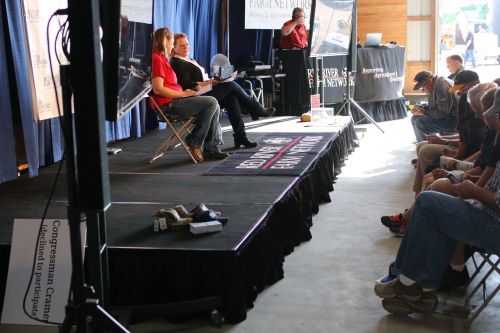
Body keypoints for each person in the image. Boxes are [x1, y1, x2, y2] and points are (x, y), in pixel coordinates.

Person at [374, 90, 500, 314]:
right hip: (486, 214)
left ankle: (408, 280)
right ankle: (419, 284)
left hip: (492, 224)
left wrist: (474, 191)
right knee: (435, 206)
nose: (492, 119)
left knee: (428, 203)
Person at [169, 33, 275, 148]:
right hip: (196, 98)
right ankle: (256, 109)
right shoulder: (176, 63)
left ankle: (241, 137)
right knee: (231, 85)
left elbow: (201, 79)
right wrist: (211, 82)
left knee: (232, 99)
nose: (186, 47)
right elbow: (186, 85)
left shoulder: (189, 60)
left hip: (206, 90)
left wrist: (216, 80)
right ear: (173, 48)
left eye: (187, 44)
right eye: (181, 45)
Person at [150, 27, 228, 162]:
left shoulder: (162, 59)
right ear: (165, 41)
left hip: (176, 100)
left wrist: (185, 94)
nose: (172, 46)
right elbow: (158, 89)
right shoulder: (157, 59)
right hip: (169, 105)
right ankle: (194, 141)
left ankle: (211, 149)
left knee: (213, 105)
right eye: (172, 42)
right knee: (212, 102)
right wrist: (183, 94)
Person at [410, 71, 457, 142]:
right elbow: (433, 105)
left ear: (431, 78)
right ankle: (425, 142)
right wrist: (421, 108)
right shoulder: (434, 85)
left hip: (452, 120)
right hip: (445, 116)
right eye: (421, 86)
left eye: (424, 84)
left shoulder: (442, 86)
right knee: (414, 118)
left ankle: (425, 146)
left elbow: (442, 113)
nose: (423, 88)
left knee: (420, 122)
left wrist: (424, 112)